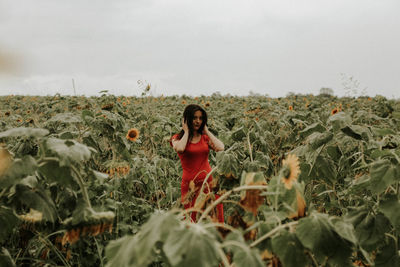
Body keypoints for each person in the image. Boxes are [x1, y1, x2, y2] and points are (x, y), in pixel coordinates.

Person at [170, 104, 224, 222]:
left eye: (201, 118)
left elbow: (221, 147)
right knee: (192, 221)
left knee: (215, 220)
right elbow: (180, 148)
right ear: (187, 119)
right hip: (190, 188)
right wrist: (186, 131)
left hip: (208, 184)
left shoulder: (204, 138)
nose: (198, 121)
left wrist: (207, 130)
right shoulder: (176, 138)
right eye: (194, 118)